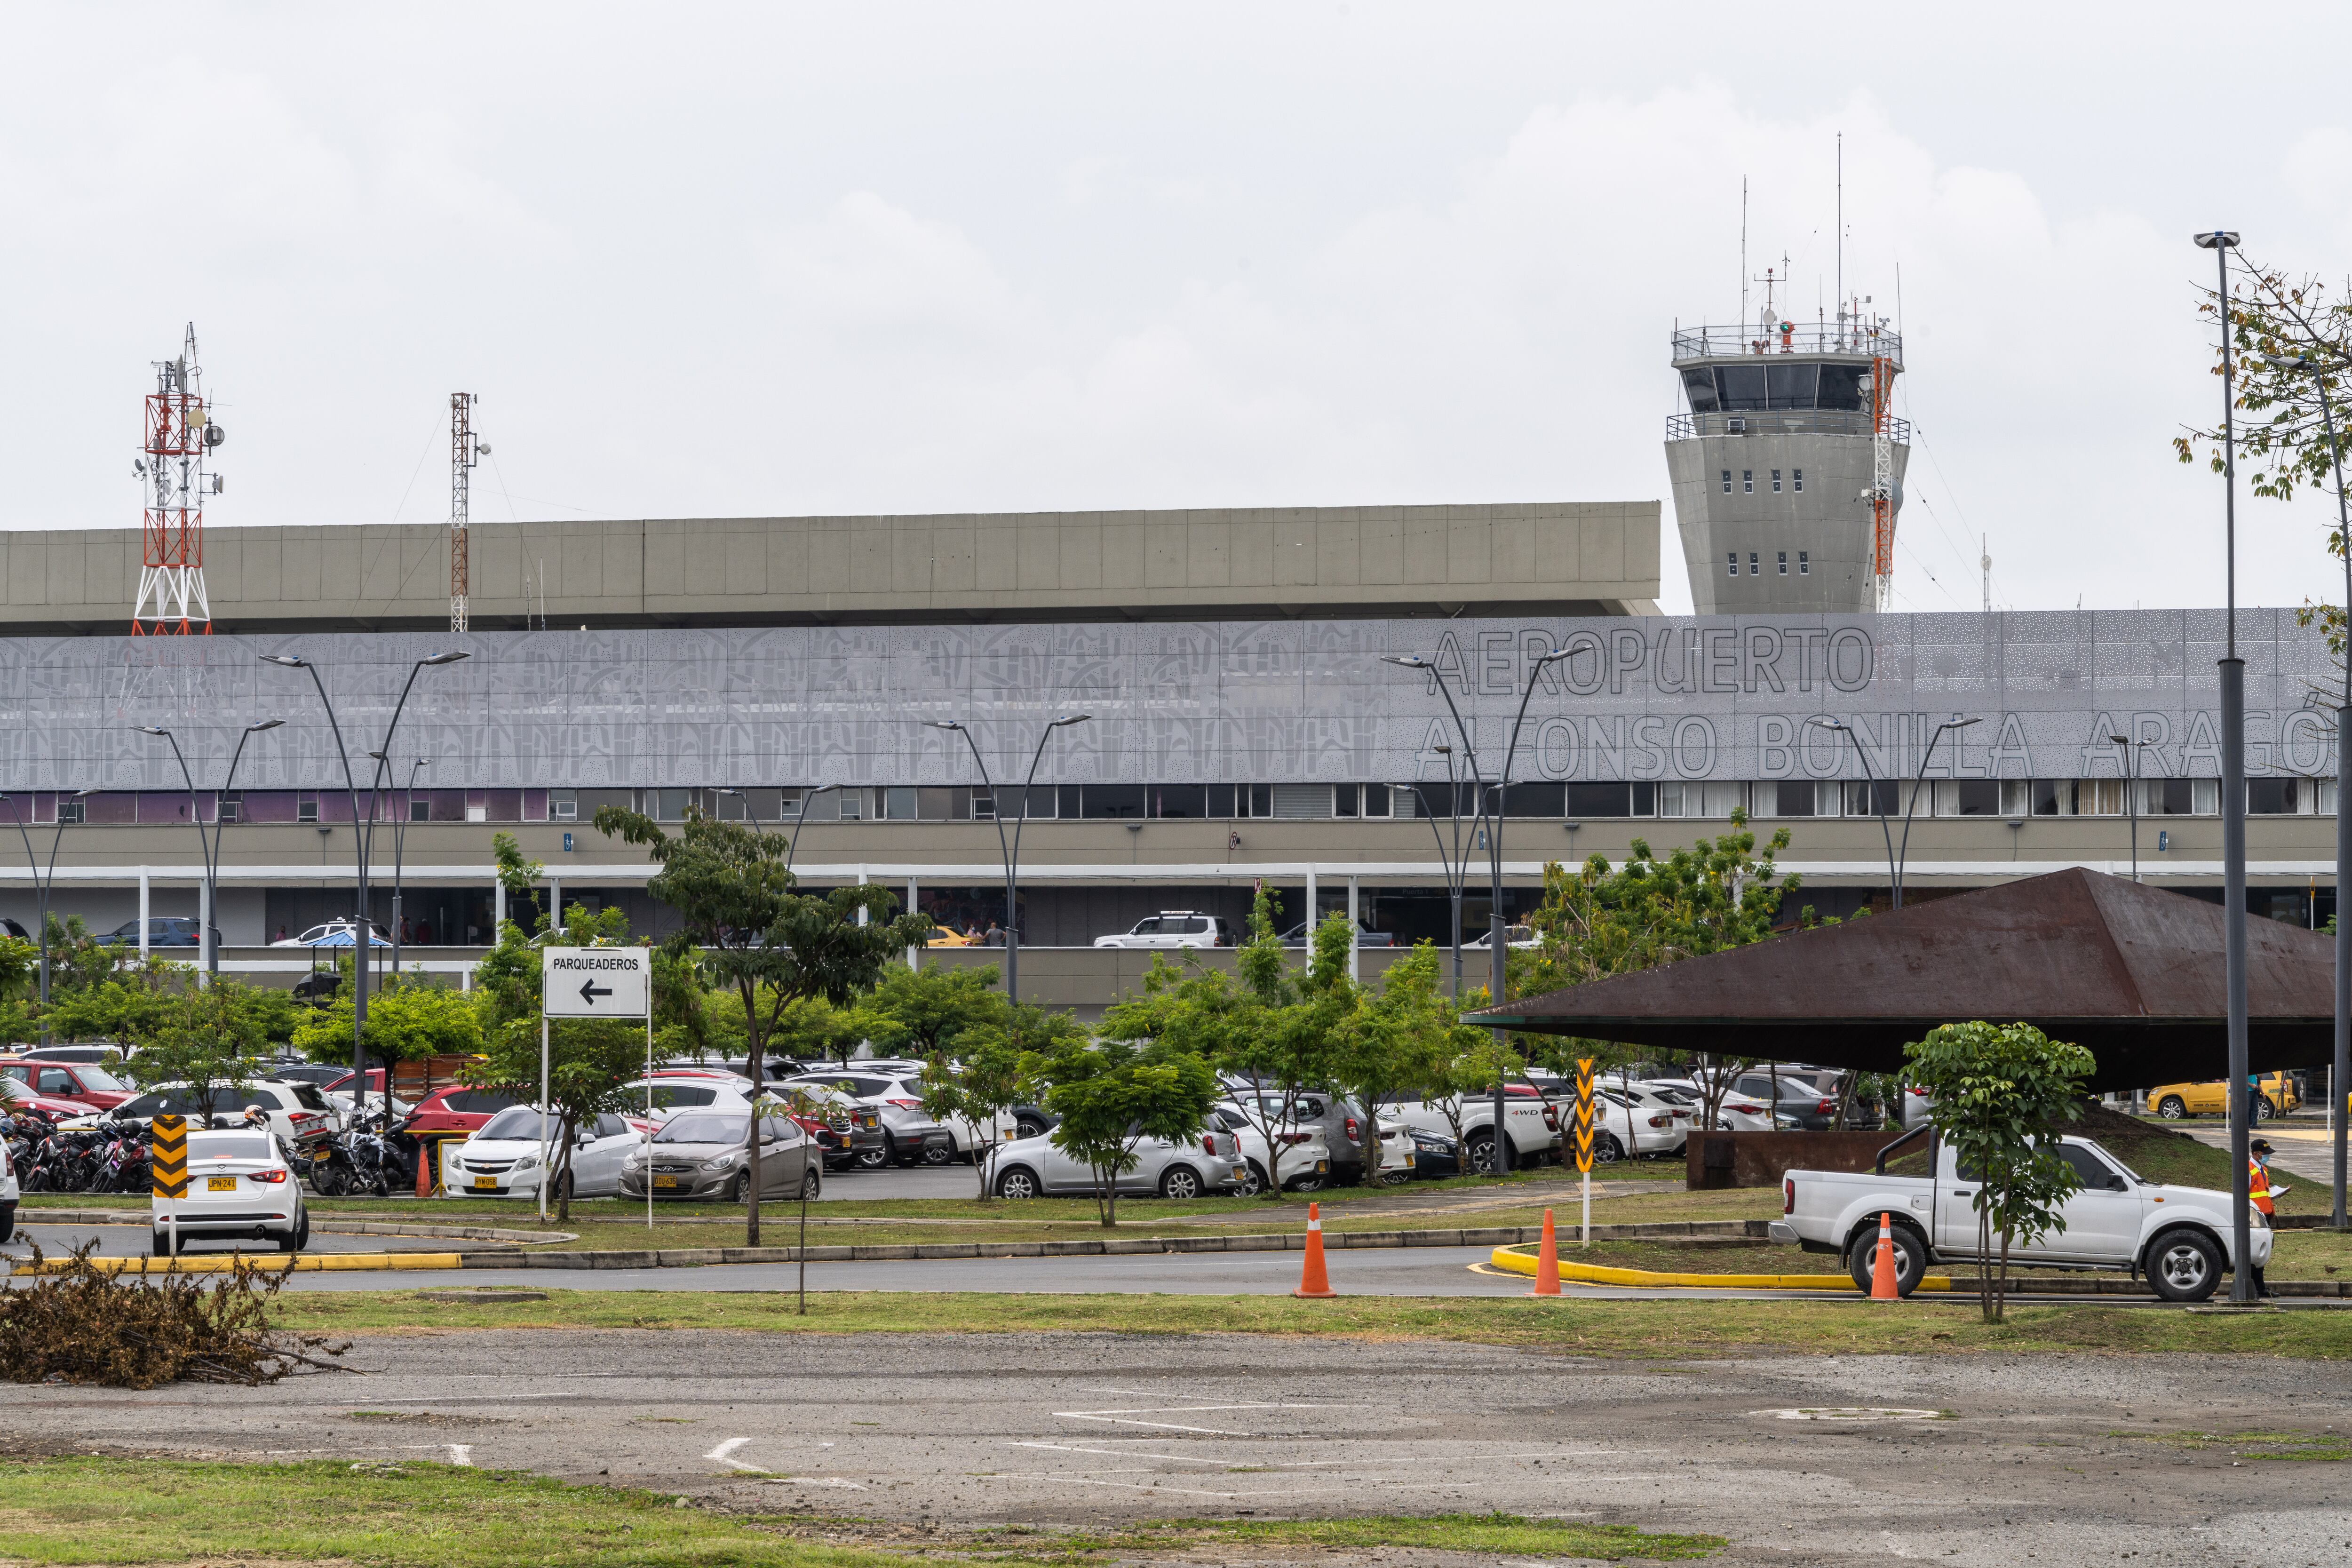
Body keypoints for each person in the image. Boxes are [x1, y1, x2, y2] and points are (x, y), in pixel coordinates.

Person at [2248, 1137, 2284, 1299]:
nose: (2267, 1156)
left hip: (2264, 1215)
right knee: (2257, 1253)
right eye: (2265, 1154)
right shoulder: (2249, 1169)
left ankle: (2259, 1287)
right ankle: (2258, 1288)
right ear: (2256, 1154)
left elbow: (2262, 1193)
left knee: (2261, 1253)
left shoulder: (2262, 1169)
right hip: (2255, 1218)